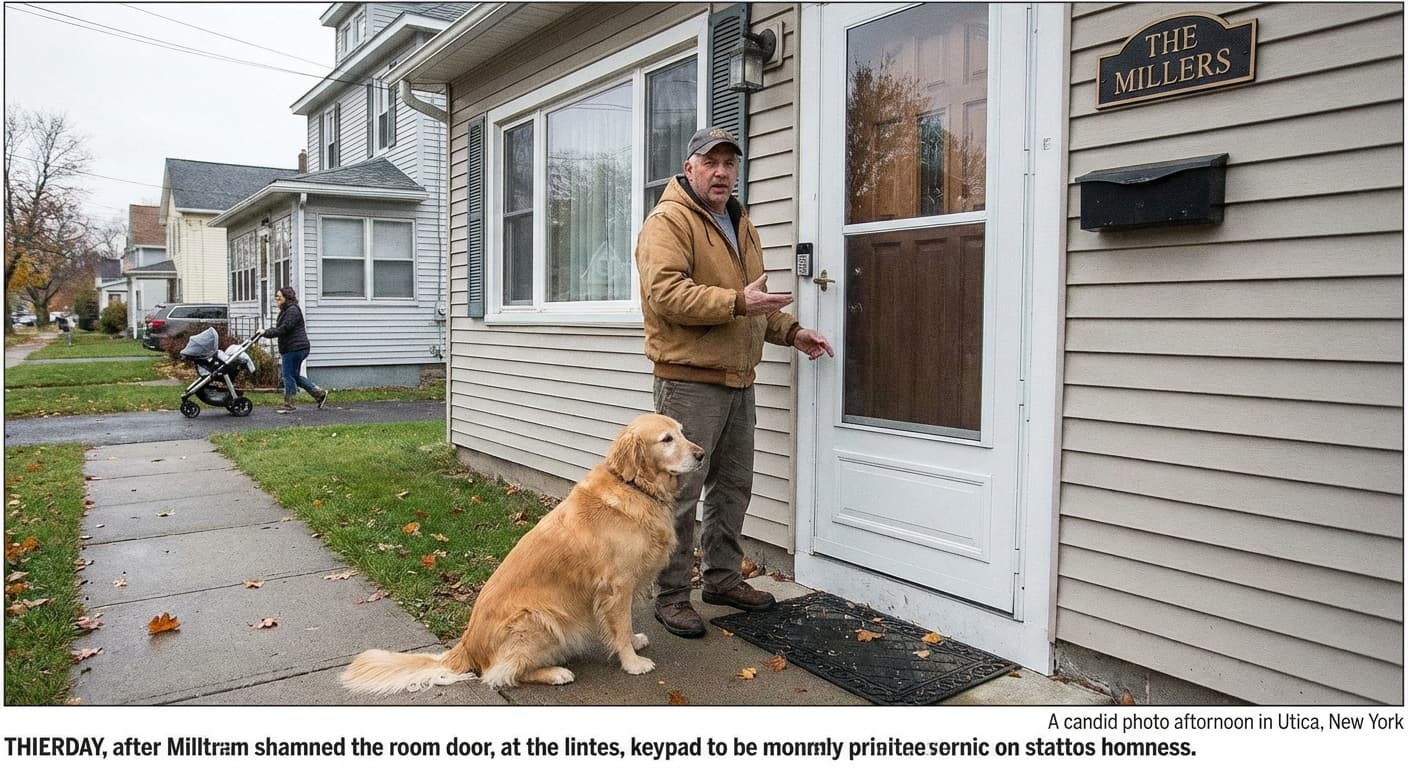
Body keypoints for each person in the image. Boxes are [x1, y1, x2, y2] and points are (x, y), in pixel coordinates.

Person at [634, 127, 833, 638]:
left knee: (733, 486)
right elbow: (666, 294)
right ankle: (671, 595)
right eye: (711, 162)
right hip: (689, 382)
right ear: (690, 167)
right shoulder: (669, 221)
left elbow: (754, 303)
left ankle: (722, 580)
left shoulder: (740, 223)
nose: (721, 172)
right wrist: (739, 302)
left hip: (740, 380)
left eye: (729, 163)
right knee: (680, 492)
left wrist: (792, 332)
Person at [259, 287, 327, 412]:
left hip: (294, 348)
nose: (276, 298)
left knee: (287, 375)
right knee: (294, 376)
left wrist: (266, 332)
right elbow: (282, 328)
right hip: (295, 348)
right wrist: (266, 332)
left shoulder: (292, 310)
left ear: (287, 297)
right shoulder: (286, 310)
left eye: (279, 296)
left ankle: (289, 404)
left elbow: (284, 329)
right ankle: (319, 394)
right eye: (276, 296)